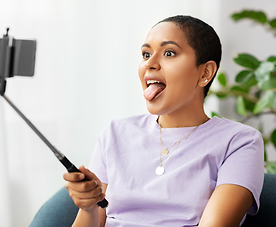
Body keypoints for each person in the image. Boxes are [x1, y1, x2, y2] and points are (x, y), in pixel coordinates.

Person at [63, 15, 264, 227]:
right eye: (146, 54)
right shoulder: (114, 133)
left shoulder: (240, 141)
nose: (149, 63)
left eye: (169, 53)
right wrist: (89, 208)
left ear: (205, 73)